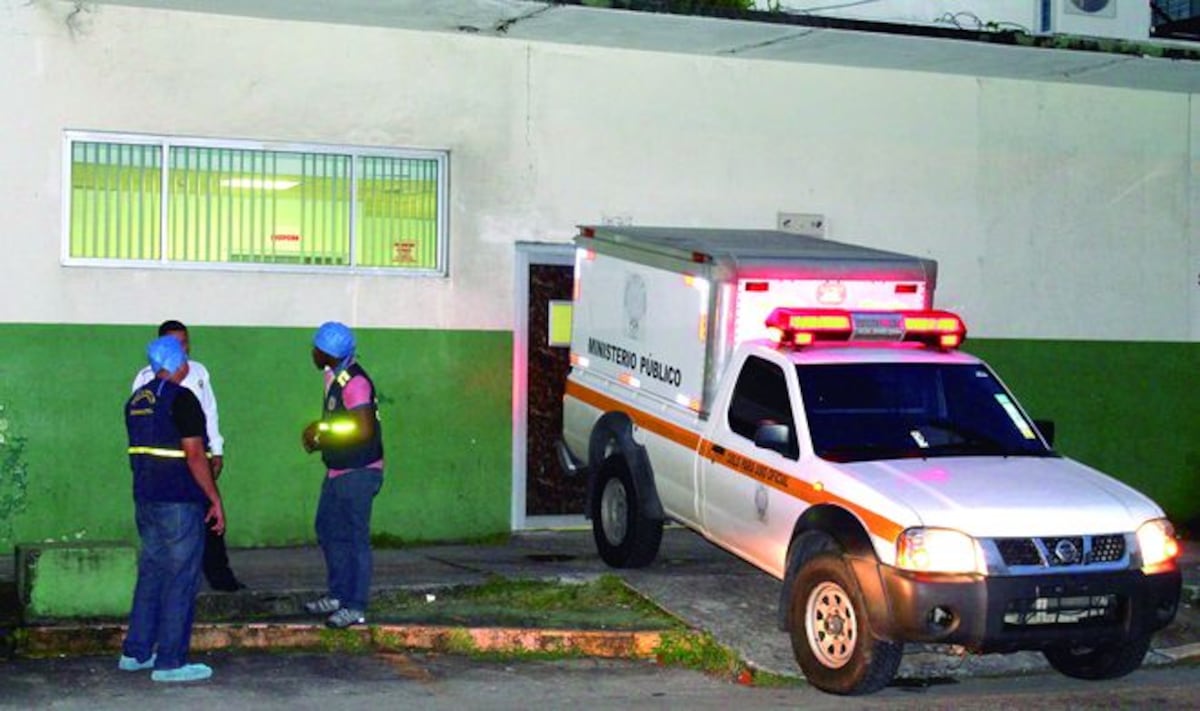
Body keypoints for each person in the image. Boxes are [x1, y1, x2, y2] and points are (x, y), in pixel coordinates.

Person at [119, 335, 224, 682]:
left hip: (146, 499)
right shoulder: (183, 399)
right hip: (178, 501)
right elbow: (194, 455)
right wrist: (214, 498)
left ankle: (136, 652)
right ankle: (170, 662)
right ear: (178, 364)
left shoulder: (136, 401)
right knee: (180, 578)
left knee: (151, 574)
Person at [132, 320, 245, 592]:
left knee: (210, 515)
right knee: (172, 526)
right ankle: (173, 583)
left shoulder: (198, 372)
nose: (182, 349)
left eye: (185, 342)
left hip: (198, 452)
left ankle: (220, 575)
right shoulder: (145, 378)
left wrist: (216, 449)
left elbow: (210, 412)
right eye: (175, 344)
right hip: (169, 463)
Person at [301, 321, 385, 629]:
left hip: (359, 471)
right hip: (339, 469)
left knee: (354, 538)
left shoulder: (356, 383)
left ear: (331, 353)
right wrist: (321, 432)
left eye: (317, 348)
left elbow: (362, 429)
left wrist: (323, 436)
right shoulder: (333, 376)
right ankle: (338, 594)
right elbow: (341, 422)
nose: (313, 352)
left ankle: (355, 605)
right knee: (327, 528)